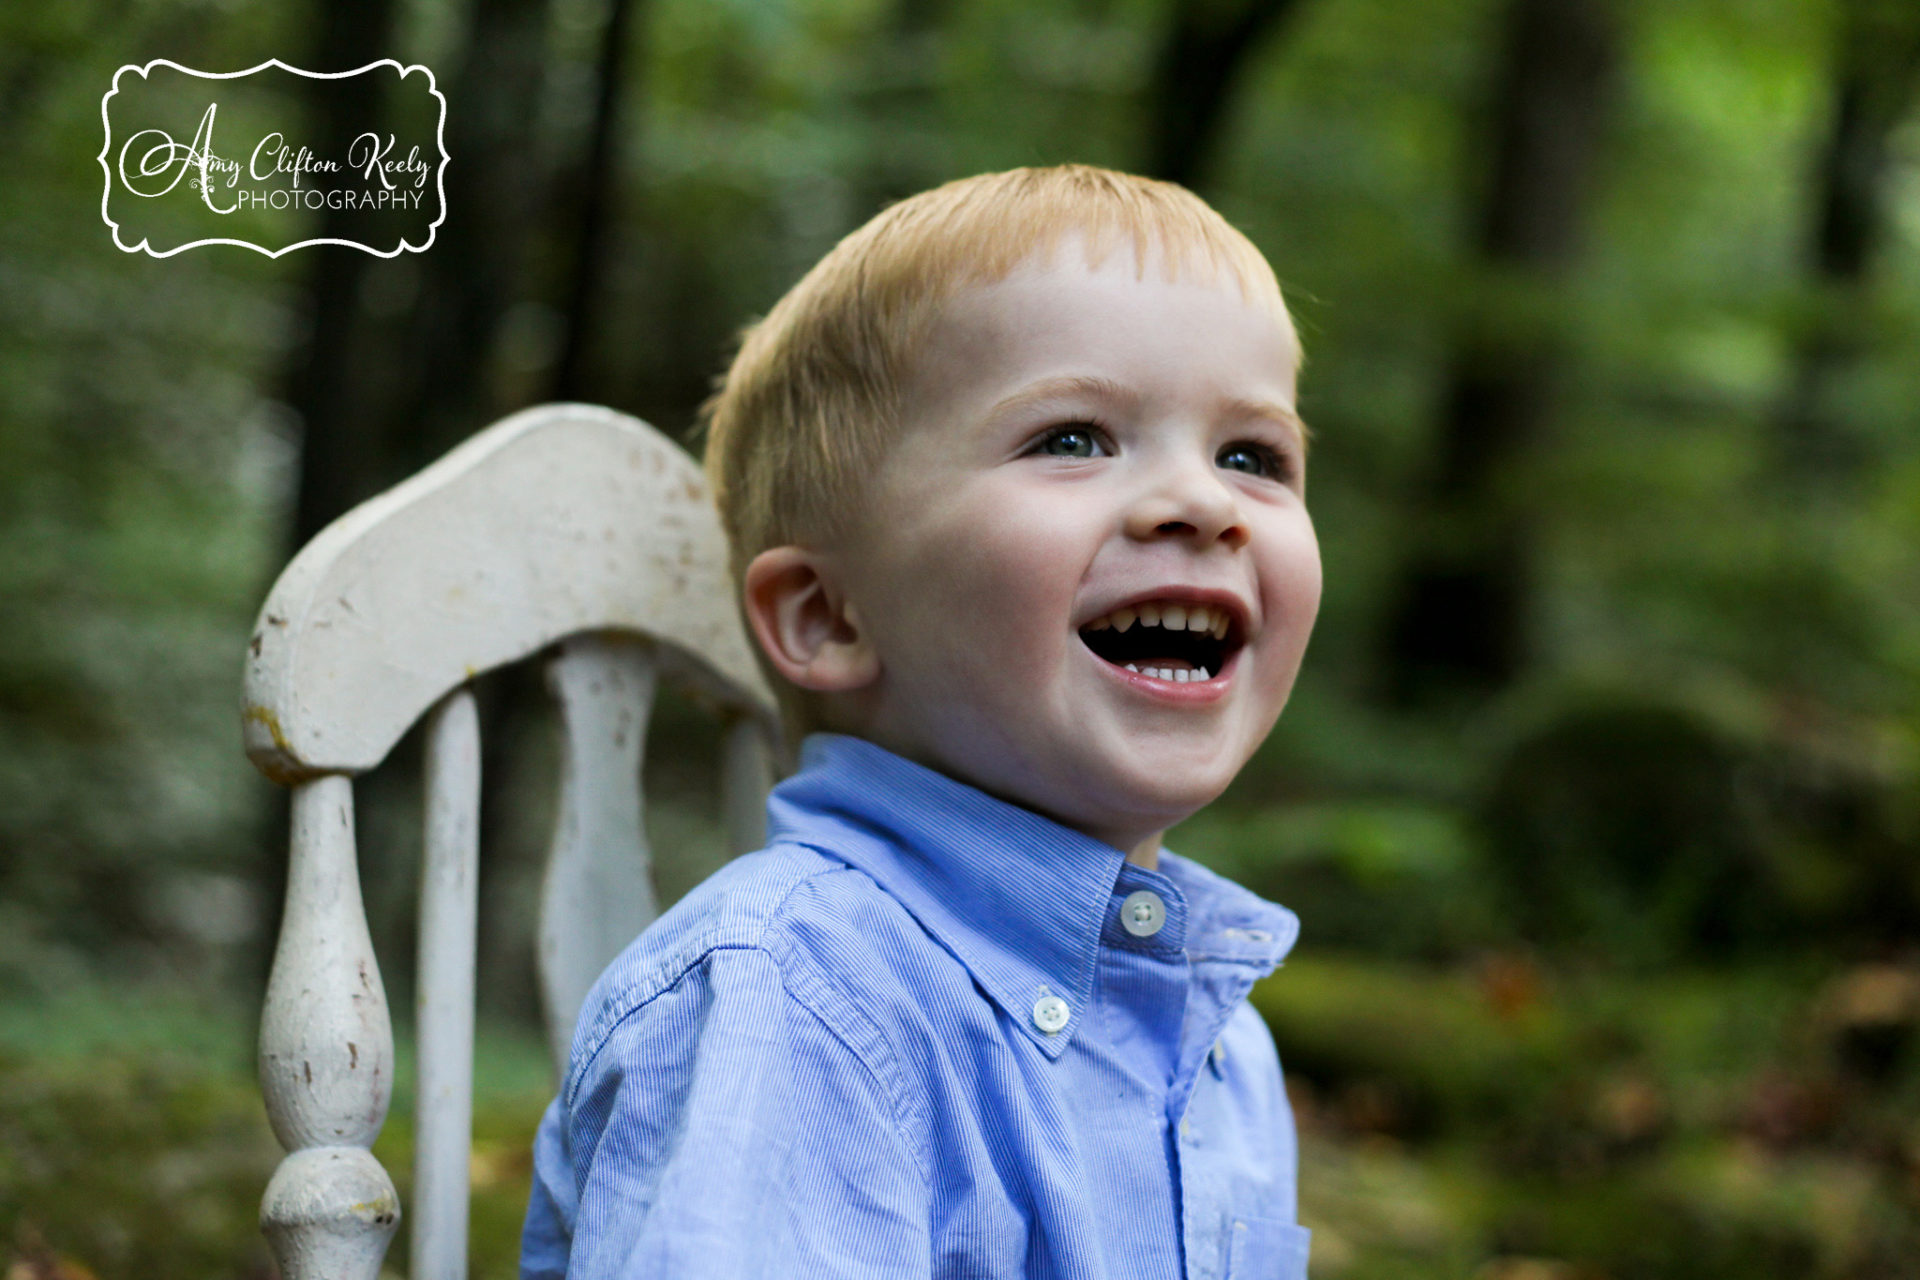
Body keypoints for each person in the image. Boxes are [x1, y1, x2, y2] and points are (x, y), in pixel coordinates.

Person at [520, 163, 1321, 1280]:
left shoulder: (1222, 1039)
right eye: (1075, 438)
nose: (1204, 502)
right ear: (830, 613)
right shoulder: (798, 1001)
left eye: (1254, 456)